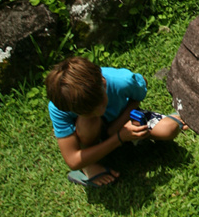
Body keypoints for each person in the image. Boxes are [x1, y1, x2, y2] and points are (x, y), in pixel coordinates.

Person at [46, 56, 183, 188]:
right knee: (88, 124)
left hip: (123, 117)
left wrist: (117, 126)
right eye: (88, 112)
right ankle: (89, 165)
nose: (99, 112)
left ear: (103, 83)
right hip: (94, 133)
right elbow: (73, 160)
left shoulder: (122, 81)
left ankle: (123, 140)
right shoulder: (61, 105)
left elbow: (139, 91)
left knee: (169, 129)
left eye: (101, 102)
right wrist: (119, 137)